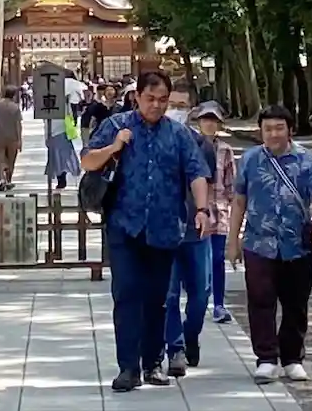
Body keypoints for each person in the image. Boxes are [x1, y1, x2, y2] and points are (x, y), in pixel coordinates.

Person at [82, 70, 211, 394]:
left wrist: (201, 209)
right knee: (127, 294)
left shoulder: (179, 134)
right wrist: (114, 147)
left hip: (164, 227)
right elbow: (87, 162)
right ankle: (128, 367)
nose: (156, 105)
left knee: (158, 298)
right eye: (150, 99)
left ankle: (153, 362)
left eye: (162, 100)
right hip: (124, 225)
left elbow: (196, 172)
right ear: (136, 97)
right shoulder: (116, 125)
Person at [227, 103, 312, 384]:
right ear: (260, 131)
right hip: (258, 242)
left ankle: (293, 358)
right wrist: (232, 240)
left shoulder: (307, 160)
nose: (273, 134)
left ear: (290, 130)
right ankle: (266, 359)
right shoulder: (250, 160)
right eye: (268, 129)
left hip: (296, 244)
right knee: (260, 300)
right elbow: (239, 201)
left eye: (279, 128)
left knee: (296, 303)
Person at [162, 83, 215, 376]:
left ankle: (190, 333)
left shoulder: (201, 144)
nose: (176, 111)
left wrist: (206, 214)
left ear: (191, 110)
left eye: (182, 106)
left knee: (201, 292)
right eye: (172, 104)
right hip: (164, 230)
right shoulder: (153, 141)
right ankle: (176, 348)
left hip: (196, 229)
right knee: (169, 294)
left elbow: (209, 183)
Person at [192, 101, 238, 324]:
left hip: (219, 211)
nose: (209, 124)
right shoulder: (190, 146)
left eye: (213, 120)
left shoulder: (225, 150)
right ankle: (198, 300)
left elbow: (232, 185)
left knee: (217, 258)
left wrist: (235, 213)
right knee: (198, 259)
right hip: (196, 211)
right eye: (205, 119)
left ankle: (219, 303)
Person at [0, 85, 24, 189]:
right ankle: (9, 180)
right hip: (12, 137)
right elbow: (18, 124)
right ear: (14, 95)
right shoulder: (15, 107)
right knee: (11, 160)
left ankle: (2, 179)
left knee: (0, 160)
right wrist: (19, 140)